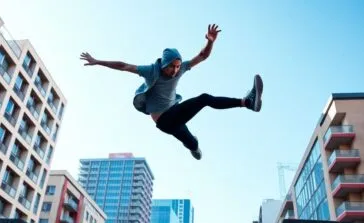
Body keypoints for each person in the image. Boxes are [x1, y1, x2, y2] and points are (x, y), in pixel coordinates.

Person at [80, 24, 263, 160]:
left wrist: (210, 42)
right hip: (164, 120)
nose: (175, 71)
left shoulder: (181, 68)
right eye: (171, 67)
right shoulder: (151, 70)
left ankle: (195, 145)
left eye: (177, 67)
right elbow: (124, 65)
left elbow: (202, 56)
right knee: (204, 98)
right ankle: (246, 102)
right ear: (163, 64)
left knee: (192, 144)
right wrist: (97, 61)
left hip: (174, 117)